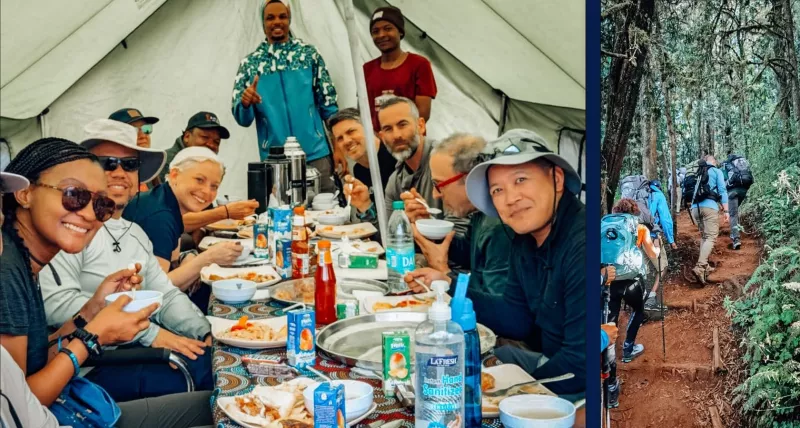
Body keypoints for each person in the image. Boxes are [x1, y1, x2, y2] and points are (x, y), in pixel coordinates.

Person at [0, 160, 213, 428]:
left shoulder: (22, 262)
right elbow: (22, 403)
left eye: (100, 204)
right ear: (24, 194)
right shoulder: (9, 269)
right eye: (74, 195)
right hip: (77, 390)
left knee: (212, 396)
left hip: (69, 392)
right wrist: (94, 336)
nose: (89, 214)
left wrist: (93, 308)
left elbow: (36, 361)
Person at [38, 119, 214, 401]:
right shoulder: (72, 226)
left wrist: (205, 331)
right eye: (107, 163)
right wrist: (150, 334)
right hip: (84, 367)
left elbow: (165, 295)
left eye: (129, 165)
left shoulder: (136, 233)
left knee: (215, 357)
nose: (119, 172)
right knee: (208, 373)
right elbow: (56, 303)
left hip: (129, 352)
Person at [462, 129, 586, 399]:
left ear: (557, 178)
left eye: (521, 179)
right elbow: (517, 319)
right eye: (498, 190)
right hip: (552, 360)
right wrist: (448, 291)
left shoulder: (582, 243)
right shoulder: (524, 237)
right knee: (481, 362)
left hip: (579, 382)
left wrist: (511, 391)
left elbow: (580, 364)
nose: (511, 198)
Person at [231, 0, 338, 192]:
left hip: (315, 153)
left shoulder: (309, 55)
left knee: (325, 209)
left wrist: (338, 149)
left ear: (290, 19)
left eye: (282, 16)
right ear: (262, 23)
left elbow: (329, 106)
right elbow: (242, 118)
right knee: (282, 215)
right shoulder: (251, 64)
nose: (277, 22)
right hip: (275, 159)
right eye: (270, 18)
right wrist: (245, 103)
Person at [123, 147, 243, 311]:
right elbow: (155, 290)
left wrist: (186, 257)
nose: (206, 191)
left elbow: (169, 261)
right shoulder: (160, 216)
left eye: (214, 186)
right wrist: (206, 259)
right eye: (199, 180)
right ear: (174, 175)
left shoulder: (164, 200)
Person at [402, 133, 512, 295]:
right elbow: (468, 254)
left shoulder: (498, 225)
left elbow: (494, 302)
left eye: (438, 185)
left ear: (470, 179)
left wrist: (444, 273)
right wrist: (430, 228)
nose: (435, 195)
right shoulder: (481, 213)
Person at [343, 96, 467, 238]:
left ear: (420, 125)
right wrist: (365, 206)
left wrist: (425, 224)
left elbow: (464, 239)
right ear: (382, 136)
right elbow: (388, 238)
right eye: (388, 129)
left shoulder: (445, 161)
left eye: (402, 124)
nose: (396, 135)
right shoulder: (395, 180)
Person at [603, 198, 662, 407]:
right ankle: (628, 349)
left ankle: (611, 387)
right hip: (631, 282)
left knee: (609, 325)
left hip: (607, 281)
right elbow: (652, 254)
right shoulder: (639, 228)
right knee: (637, 310)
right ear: (634, 211)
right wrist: (657, 246)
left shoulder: (604, 224)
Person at [364, 6, 437, 131]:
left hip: (409, 142)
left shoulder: (419, 64)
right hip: (377, 144)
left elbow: (423, 114)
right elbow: (363, 111)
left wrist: (398, 134)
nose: (381, 35)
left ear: (401, 32)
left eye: (388, 29)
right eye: (375, 31)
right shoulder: (367, 69)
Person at [327, 108, 396, 192]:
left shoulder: (396, 158)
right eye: (340, 138)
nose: (346, 141)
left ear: (369, 127)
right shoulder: (359, 171)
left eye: (351, 131)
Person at [690, 155, 729, 284]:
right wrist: (726, 211)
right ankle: (700, 266)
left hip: (695, 208)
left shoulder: (698, 172)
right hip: (709, 207)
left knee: (704, 237)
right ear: (713, 161)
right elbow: (722, 190)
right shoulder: (716, 171)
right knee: (711, 237)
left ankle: (705, 266)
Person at [109, 107, 161, 192]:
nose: (143, 135)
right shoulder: (112, 172)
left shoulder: (151, 165)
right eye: (133, 130)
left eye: (146, 129)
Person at [642, 179, 674, 311]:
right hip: (651, 236)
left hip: (636, 237)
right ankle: (650, 299)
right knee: (662, 266)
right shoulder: (658, 195)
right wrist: (671, 240)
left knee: (642, 270)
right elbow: (665, 219)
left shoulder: (640, 196)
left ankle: (640, 300)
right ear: (659, 187)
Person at [721, 151, 753, 250]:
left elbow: (723, 181)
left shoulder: (726, 165)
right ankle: (735, 231)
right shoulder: (743, 163)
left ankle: (736, 239)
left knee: (733, 214)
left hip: (732, 192)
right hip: (743, 191)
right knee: (735, 212)